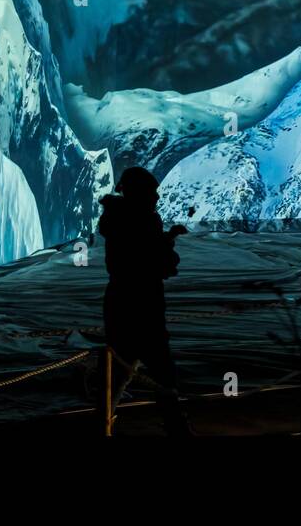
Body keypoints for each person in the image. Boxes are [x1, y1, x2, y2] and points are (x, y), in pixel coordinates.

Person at [97, 166, 192, 435]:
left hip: (120, 303)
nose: (157, 198)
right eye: (152, 192)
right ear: (140, 194)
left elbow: (138, 254)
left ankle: (102, 424)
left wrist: (166, 240)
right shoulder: (145, 221)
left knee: (117, 373)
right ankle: (176, 427)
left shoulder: (120, 221)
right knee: (163, 372)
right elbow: (155, 261)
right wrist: (167, 249)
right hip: (145, 305)